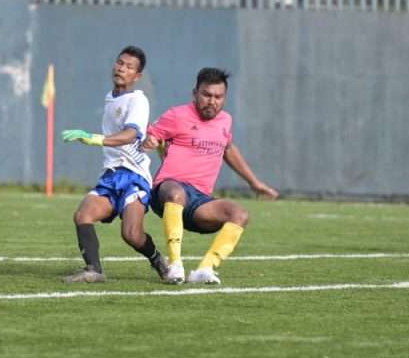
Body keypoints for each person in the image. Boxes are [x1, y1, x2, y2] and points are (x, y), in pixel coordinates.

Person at [143, 67, 278, 285]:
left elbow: (229, 149)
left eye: (218, 97)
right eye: (206, 95)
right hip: (168, 190)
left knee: (239, 214)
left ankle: (204, 270)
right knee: (175, 192)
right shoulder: (177, 115)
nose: (212, 101)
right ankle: (174, 265)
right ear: (195, 93)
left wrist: (255, 183)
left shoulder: (225, 121)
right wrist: (150, 141)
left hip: (199, 201)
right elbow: (151, 135)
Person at [60, 46, 171, 284]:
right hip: (111, 176)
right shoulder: (111, 98)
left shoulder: (138, 100)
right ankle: (93, 270)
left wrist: (94, 138)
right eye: (120, 63)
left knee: (131, 235)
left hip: (134, 176)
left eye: (129, 67)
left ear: (137, 76)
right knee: (82, 215)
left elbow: (131, 134)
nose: (122, 68)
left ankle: (157, 258)